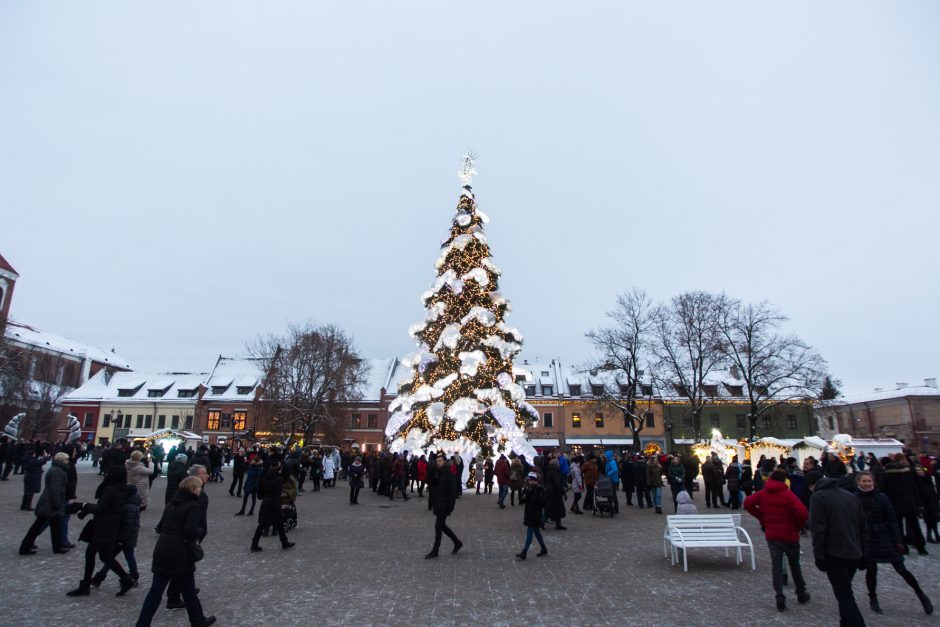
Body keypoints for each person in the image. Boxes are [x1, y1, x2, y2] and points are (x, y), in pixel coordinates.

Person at [134, 476, 215, 627]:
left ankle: (142, 623)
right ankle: (198, 621)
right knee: (189, 591)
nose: (201, 490)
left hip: (163, 548)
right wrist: (200, 529)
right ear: (194, 489)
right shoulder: (192, 505)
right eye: (199, 487)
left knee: (156, 591)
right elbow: (190, 531)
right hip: (180, 552)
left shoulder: (172, 503)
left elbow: (163, 525)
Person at [855, 471, 933, 616]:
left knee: (900, 568)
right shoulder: (855, 498)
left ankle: (921, 595)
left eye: (869, 481)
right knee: (871, 570)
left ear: (874, 482)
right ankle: (873, 598)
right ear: (859, 482)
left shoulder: (882, 497)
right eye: (864, 481)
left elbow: (892, 519)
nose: (867, 483)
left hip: (884, 536)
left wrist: (898, 540)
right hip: (867, 538)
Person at [744, 469, 810, 612]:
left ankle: (779, 596)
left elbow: (748, 503)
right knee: (794, 564)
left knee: (777, 566)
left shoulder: (763, 493)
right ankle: (801, 592)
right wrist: (797, 525)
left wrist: (762, 517)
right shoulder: (788, 495)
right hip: (790, 535)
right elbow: (803, 512)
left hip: (772, 535)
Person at [807, 470, 867, 627]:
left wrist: (818, 555)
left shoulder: (818, 497)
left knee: (845, 595)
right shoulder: (850, 496)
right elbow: (862, 527)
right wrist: (863, 551)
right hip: (854, 551)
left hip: (835, 553)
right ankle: (845, 622)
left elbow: (818, 529)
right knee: (845, 592)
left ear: (812, 485)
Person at [67, 466, 136, 597]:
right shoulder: (121, 489)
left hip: (104, 526)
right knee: (92, 553)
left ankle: (126, 579)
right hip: (110, 526)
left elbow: (101, 509)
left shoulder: (110, 490)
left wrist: (83, 505)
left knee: (104, 556)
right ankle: (86, 584)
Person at [92, 481, 142, 588]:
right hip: (126, 537)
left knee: (116, 558)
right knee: (115, 557)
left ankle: (132, 576)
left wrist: (121, 538)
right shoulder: (133, 504)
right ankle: (101, 576)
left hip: (124, 537)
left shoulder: (129, 507)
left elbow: (128, 525)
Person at [19, 452, 70, 555]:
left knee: (54, 526)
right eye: (66, 460)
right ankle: (25, 546)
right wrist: (57, 503)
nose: (67, 461)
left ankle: (58, 546)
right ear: (62, 461)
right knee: (38, 525)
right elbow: (55, 489)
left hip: (49, 502)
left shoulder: (57, 469)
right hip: (50, 503)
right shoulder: (57, 471)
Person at [880, 455, 927, 554]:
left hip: (895, 505)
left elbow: (884, 492)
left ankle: (903, 548)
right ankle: (921, 547)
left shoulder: (886, 476)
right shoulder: (907, 474)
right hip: (910, 504)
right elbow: (915, 490)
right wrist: (918, 504)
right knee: (915, 527)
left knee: (899, 528)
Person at [251, 462, 295, 552]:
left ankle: (254, 544)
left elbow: (260, 494)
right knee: (278, 523)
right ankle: (284, 542)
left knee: (263, 525)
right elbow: (277, 494)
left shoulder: (265, 477)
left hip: (266, 503)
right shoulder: (278, 479)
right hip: (274, 504)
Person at [425, 454, 462, 559]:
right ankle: (457, 542)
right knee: (443, 526)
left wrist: (450, 506)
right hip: (437, 503)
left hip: (444, 505)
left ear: (445, 461)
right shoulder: (437, 473)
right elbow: (429, 482)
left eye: (440, 461)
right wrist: (431, 471)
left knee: (438, 526)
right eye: (437, 461)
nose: (439, 463)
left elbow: (452, 492)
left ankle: (435, 550)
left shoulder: (449, 474)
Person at [515, 472, 548, 559]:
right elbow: (521, 501)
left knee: (530, 532)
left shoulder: (540, 489)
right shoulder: (528, 488)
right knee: (536, 532)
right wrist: (524, 495)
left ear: (534, 480)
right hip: (529, 513)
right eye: (528, 480)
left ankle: (524, 551)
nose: (528, 481)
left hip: (536, 513)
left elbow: (543, 502)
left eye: (530, 480)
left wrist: (533, 495)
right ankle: (544, 548)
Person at [544, 458, 567, 529]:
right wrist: (563, 492)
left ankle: (558, 524)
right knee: (552, 509)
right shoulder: (555, 472)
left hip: (550, 491)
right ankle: (541, 522)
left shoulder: (549, 471)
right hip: (555, 493)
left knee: (556, 509)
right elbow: (557, 483)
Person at [604, 450, 620, 514]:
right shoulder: (609, 461)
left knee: (613, 495)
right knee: (610, 494)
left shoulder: (612, 461)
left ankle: (615, 508)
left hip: (613, 480)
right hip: (611, 480)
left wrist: (608, 474)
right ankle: (609, 507)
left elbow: (615, 470)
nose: (605, 456)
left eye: (606, 455)